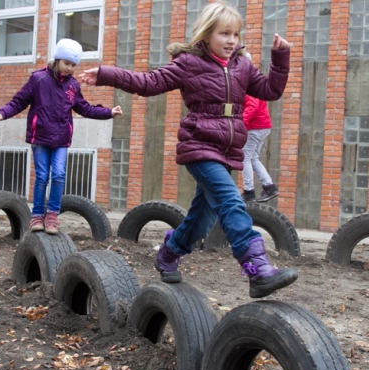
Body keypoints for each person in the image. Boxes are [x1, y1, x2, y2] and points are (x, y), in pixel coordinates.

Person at [79, 2, 297, 298]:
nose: (232, 40)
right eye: (224, 33)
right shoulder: (188, 63)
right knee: (232, 201)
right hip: (200, 145)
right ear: (207, 35)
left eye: (236, 34)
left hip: (228, 151)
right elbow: (148, 83)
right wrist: (106, 74)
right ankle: (257, 269)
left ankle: (169, 252)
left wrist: (280, 58)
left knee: (202, 219)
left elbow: (271, 91)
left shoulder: (242, 65)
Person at [0, 39, 122, 235]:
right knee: (42, 176)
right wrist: (2, 113)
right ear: (58, 59)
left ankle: (52, 214)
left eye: (73, 65)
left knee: (59, 174)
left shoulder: (73, 86)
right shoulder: (38, 79)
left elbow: (84, 108)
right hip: (40, 137)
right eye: (67, 63)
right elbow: (19, 101)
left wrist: (109, 112)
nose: (69, 68)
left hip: (61, 138)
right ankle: (37, 215)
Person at [241, 53, 278, 203]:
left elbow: (253, 105)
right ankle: (269, 186)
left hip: (255, 127)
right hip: (262, 126)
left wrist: (240, 123)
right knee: (253, 157)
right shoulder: (251, 79)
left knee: (244, 157)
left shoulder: (248, 82)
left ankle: (248, 191)